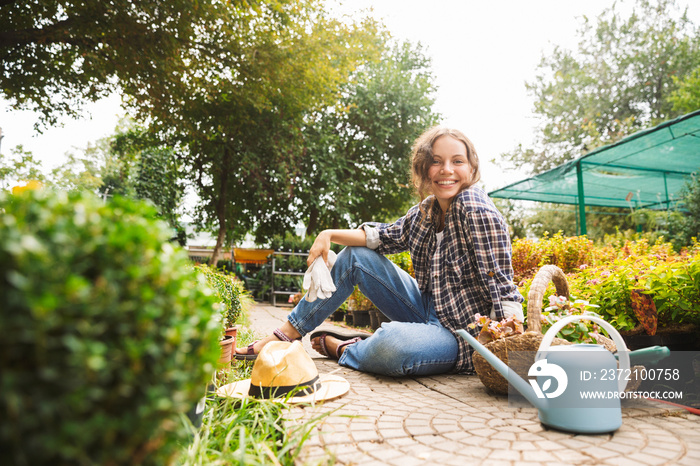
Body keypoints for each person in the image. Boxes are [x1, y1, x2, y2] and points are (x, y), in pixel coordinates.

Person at [235, 126, 523, 375]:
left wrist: (510, 348)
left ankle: (347, 348)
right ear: (425, 169)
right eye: (436, 162)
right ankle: (285, 335)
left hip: (461, 335)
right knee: (355, 256)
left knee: (395, 344)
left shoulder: (475, 208)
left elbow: (501, 283)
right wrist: (328, 234)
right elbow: (378, 237)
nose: (446, 170)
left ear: (471, 169)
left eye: (457, 161)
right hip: (426, 310)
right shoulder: (424, 212)